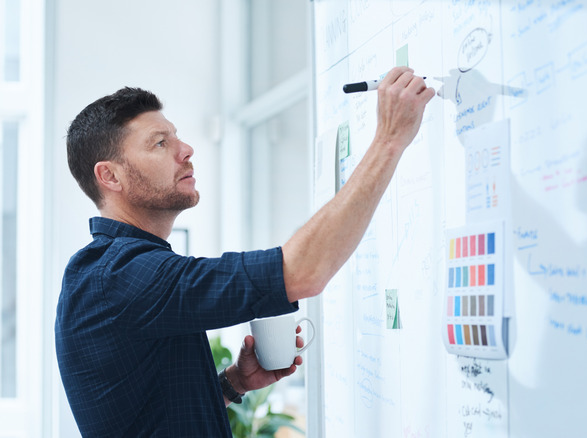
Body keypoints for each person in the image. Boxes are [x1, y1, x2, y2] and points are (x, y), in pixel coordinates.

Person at [55, 66, 434, 437]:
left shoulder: (119, 271)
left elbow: (147, 416)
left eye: (176, 137)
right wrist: (389, 140)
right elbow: (304, 272)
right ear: (110, 176)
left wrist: (232, 383)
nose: (185, 150)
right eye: (160, 143)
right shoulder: (121, 274)